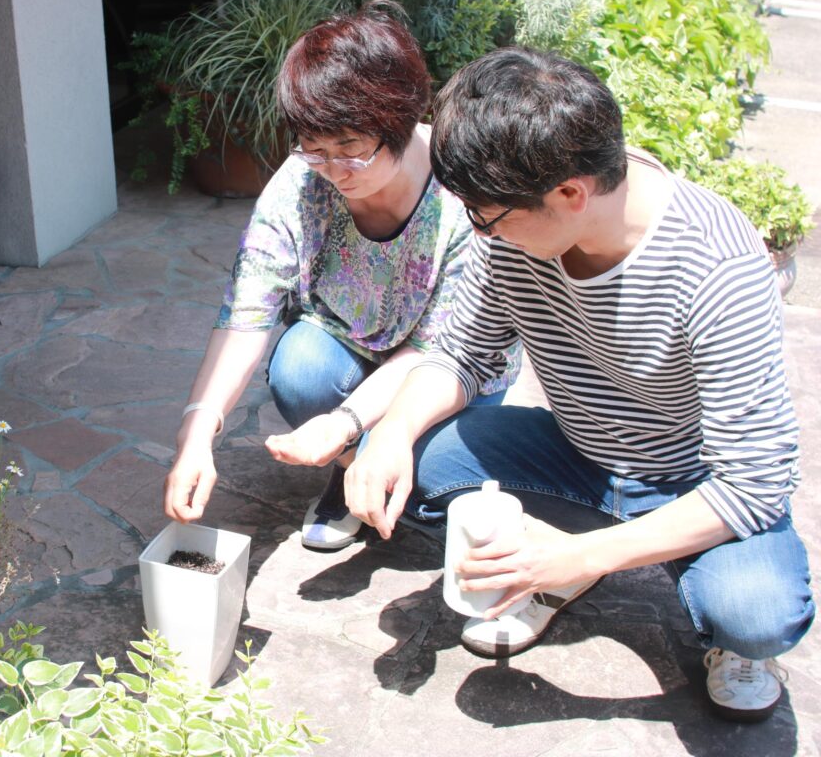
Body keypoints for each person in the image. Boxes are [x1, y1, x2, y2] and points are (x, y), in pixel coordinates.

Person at [344, 46, 814, 722]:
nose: (479, 229)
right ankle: (556, 554)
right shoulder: (516, 221)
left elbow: (755, 483)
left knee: (755, 614)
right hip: (575, 454)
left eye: (485, 215)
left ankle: (570, 561)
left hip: (692, 481)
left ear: (570, 195)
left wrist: (573, 556)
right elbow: (464, 353)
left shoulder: (717, 266)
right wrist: (391, 431)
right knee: (402, 459)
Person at [162, 2, 518, 549]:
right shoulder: (303, 181)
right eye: (315, 150)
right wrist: (197, 429)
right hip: (348, 346)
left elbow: (442, 350)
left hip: (449, 372)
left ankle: (368, 460)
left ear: (400, 121)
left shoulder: (462, 190)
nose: (333, 170)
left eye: (351, 150)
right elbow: (246, 311)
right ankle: (354, 465)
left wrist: (343, 422)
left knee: (433, 479)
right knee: (301, 367)